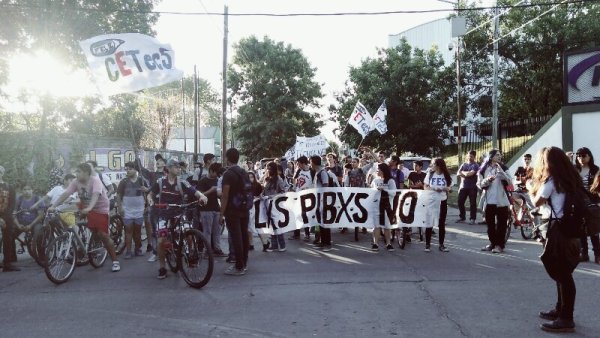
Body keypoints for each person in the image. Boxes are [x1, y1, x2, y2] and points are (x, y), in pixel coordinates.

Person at [531, 147, 582, 333]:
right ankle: (560, 309)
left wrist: (531, 188)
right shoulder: (572, 178)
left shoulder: (552, 181)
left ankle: (566, 318)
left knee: (563, 275)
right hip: (572, 230)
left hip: (558, 231)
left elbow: (537, 201)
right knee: (563, 273)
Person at [48, 163, 121, 272]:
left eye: (78, 171)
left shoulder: (95, 181)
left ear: (86, 173)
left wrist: (89, 208)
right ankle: (84, 244)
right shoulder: (75, 182)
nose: (76, 174)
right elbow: (66, 194)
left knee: (103, 235)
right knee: (76, 223)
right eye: (76, 171)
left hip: (100, 208)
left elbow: (96, 195)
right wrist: (54, 206)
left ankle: (115, 261)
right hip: (85, 206)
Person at [147, 159, 208, 279]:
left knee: (189, 233)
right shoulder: (160, 182)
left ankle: (191, 255)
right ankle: (162, 267)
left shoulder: (182, 182)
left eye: (179, 167)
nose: (179, 169)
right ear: (168, 169)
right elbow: (150, 194)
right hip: (163, 214)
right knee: (161, 241)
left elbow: (195, 192)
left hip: (179, 213)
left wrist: (202, 196)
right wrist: (150, 200)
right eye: (176, 167)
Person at [220, 148, 251, 276]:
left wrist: (221, 214)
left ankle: (239, 266)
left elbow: (225, 195)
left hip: (232, 210)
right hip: (244, 208)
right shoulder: (243, 172)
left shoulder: (228, 174)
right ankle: (243, 263)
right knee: (244, 236)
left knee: (236, 237)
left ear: (227, 158)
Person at [477, 149, 512, 254]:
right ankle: (492, 243)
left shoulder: (504, 168)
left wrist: (502, 174)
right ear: (491, 157)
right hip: (489, 200)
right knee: (490, 225)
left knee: (502, 224)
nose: (499, 157)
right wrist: (487, 180)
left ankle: (499, 245)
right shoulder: (483, 169)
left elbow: (510, 182)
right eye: (497, 155)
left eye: (500, 155)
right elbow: (479, 184)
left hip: (502, 200)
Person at [116, 162, 149, 259]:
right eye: (127, 169)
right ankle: (128, 251)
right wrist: (120, 207)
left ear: (136, 170)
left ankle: (138, 248)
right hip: (127, 210)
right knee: (128, 231)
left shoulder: (142, 181)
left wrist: (147, 204)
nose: (128, 170)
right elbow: (118, 195)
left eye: (130, 168)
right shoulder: (123, 182)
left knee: (137, 231)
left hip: (139, 210)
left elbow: (148, 193)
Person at [573, 147, 600, 263]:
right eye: (578, 156)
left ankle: (598, 254)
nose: (581, 158)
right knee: (580, 229)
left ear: (589, 157)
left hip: (592, 202)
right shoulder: (574, 169)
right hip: (578, 202)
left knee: (593, 229)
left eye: (584, 156)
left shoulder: (595, 170)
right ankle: (583, 253)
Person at [197, 162, 227, 257]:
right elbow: (199, 195)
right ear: (211, 171)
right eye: (215, 173)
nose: (217, 175)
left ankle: (217, 248)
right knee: (207, 230)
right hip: (206, 209)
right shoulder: (203, 181)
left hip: (216, 208)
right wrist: (211, 190)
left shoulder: (218, 180)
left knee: (217, 230)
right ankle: (207, 250)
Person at [423, 158, 452, 252]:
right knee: (429, 222)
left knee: (441, 223)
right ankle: (427, 245)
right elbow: (425, 186)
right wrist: (434, 188)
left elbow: (449, 188)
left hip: (442, 200)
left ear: (438, 165)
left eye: (433, 164)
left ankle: (441, 244)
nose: (432, 166)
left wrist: (445, 189)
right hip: (431, 200)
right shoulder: (430, 174)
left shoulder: (446, 175)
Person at [262, 162, 288, 252]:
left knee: (277, 225)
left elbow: (283, 192)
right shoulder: (267, 178)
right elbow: (264, 191)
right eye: (267, 168)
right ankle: (274, 245)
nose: (268, 170)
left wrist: (271, 196)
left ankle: (282, 244)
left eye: (270, 168)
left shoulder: (278, 179)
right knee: (271, 225)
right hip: (267, 204)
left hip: (275, 205)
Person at [371, 163, 396, 252]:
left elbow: (394, 193)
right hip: (376, 205)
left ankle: (388, 243)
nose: (377, 171)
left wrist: (384, 189)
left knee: (387, 226)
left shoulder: (390, 181)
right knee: (376, 226)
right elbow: (371, 192)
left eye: (378, 169)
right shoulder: (375, 181)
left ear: (383, 170)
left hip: (386, 206)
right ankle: (375, 243)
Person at [14, 183, 45, 254]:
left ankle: (41, 255)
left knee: (39, 233)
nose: (27, 191)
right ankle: (11, 257)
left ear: (32, 190)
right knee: (9, 233)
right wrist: (18, 225)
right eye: (24, 189)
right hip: (21, 223)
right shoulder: (19, 199)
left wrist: (30, 225)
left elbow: (41, 215)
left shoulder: (37, 199)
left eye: (29, 189)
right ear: (21, 190)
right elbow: (14, 214)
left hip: (34, 222)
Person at [311, 155, 333, 251]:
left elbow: (325, 186)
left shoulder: (322, 173)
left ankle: (327, 244)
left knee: (325, 223)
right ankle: (323, 242)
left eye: (310, 162)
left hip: (323, 201)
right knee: (320, 222)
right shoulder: (317, 172)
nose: (310, 164)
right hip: (318, 200)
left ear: (314, 162)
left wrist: (322, 199)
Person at [0, 165, 19, 271]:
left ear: (3, 173)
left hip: (7, 217)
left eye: (0, 172)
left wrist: (4, 218)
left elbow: (12, 204)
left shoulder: (9, 187)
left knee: (8, 239)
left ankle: (7, 263)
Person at [290, 156, 314, 241]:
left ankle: (307, 234)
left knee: (304, 215)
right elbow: (294, 178)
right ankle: (296, 234)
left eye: (299, 163)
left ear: (303, 163)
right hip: (298, 194)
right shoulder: (299, 170)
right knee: (296, 214)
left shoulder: (311, 171)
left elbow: (314, 182)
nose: (298, 165)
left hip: (307, 196)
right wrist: (295, 186)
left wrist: (308, 189)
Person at [456, 150, 480, 224]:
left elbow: (469, 174)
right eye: (469, 156)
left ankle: (472, 219)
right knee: (460, 202)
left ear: (474, 157)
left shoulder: (475, 165)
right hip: (463, 186)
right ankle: (462, 217)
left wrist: (463, 173)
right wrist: (465, 173)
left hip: (472, 187)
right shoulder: (464, 164)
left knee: (472, 203)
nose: (469, 157)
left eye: (471, 156)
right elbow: (458, 173)